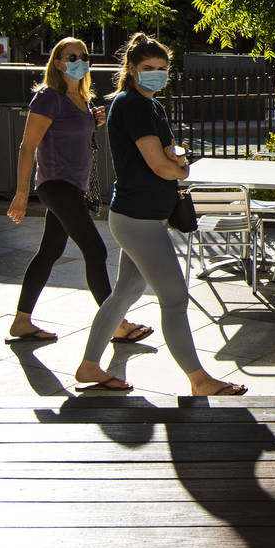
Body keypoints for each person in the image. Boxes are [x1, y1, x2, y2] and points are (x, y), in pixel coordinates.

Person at [76, 32, 247, 395]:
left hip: (139, 216)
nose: (156, 73)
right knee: (174, 299)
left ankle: (89, 367)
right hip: (139, 220)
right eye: (148, 68)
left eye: (162, 68)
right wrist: (180, 169)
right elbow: (160, 164)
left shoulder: (150, 105)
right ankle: (199, 380)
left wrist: (175, 162)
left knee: (123, 293)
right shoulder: (133, 105)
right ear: (132, 70)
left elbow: (168, 154)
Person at [5, 36, 154, 347]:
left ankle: (22, 321)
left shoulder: (83, 101)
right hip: (56, 185)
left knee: (49, 252)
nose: (79, 61)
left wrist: (93, 120)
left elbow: (72, 137)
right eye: (71, 57)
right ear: (58, 64)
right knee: (96, 251)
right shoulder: (48, 98)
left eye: (83, 56)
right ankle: (116, 324)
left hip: (72, 186)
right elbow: (27, 147)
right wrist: (21, 194)